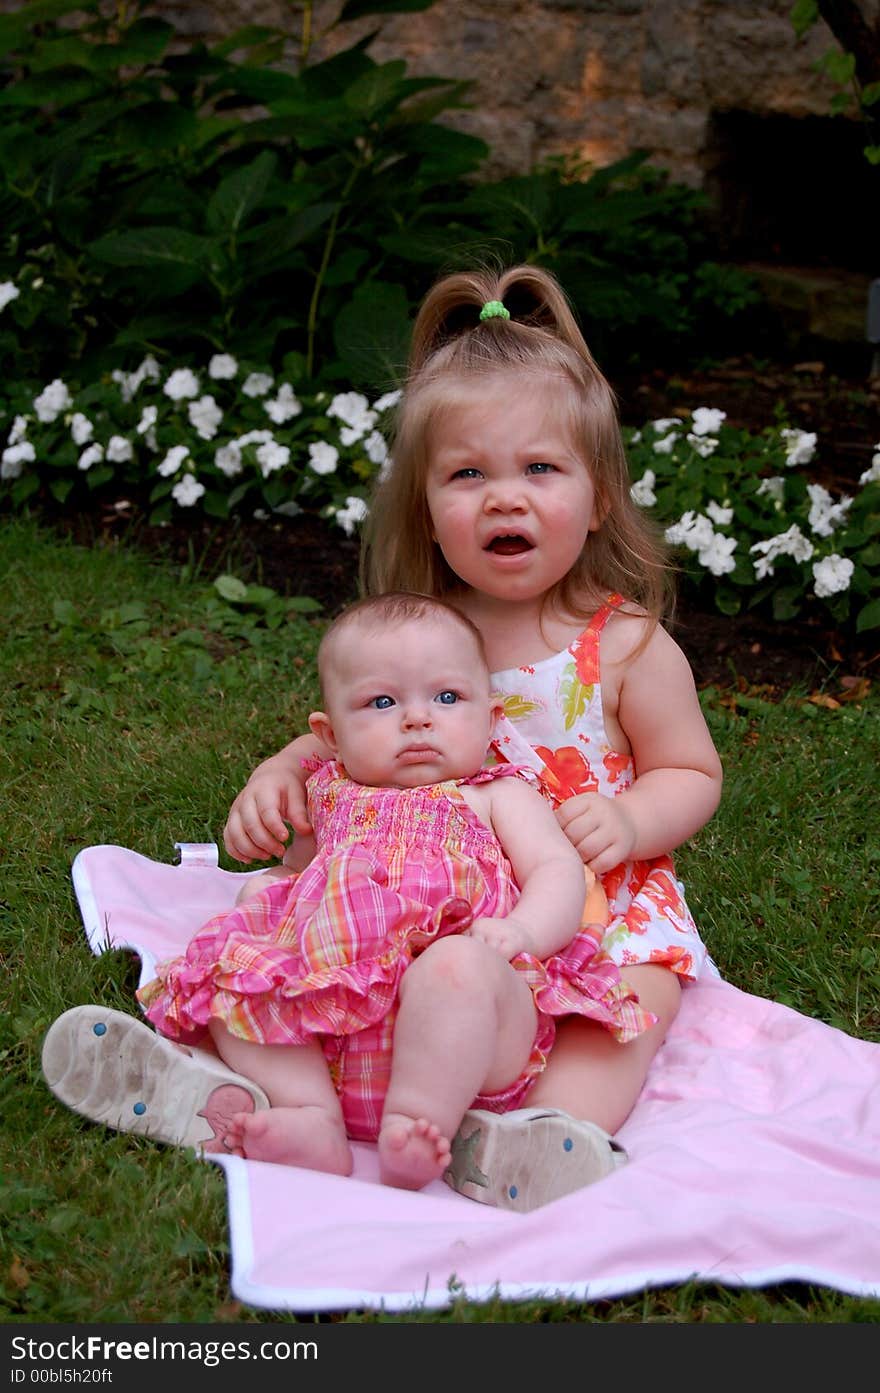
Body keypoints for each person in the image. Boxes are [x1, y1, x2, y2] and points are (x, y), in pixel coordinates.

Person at [222, 263, 724, 1206]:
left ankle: (548, 1132)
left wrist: (630, 819)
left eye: (540, 469)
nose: (506, 498)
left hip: (593, 904)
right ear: (427, 508)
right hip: (441, 896)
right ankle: (317, 1096)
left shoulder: (623, 646)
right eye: (469, 474)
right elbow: (348, 735)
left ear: (598, 496)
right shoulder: (417, 634)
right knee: (338, 966)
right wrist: (283, 767)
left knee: (628, 1008)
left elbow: (691, 768)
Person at [132, 592, 642, 1198]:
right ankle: (310, 1118)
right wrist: (261, 896)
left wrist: (523, 934)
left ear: (493, 719)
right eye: (381, 702)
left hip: (461, 1039)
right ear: (331, 734)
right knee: (234, 968)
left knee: (455, 968)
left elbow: (556, 872)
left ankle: (419, 1124)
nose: (418, 719)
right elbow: (298, 880)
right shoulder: (328, 794)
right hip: (328, 1026)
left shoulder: (499, 795)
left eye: (448, 698)